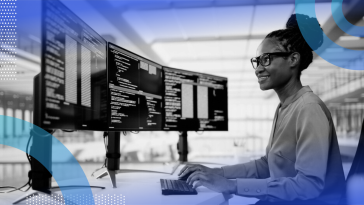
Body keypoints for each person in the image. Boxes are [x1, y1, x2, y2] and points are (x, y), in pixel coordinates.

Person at [178, 14, 346, 205]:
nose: (258, 69)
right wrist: (217, 173)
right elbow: (267, 165)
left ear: (293, 59)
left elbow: (308, 186)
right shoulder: (285, 107)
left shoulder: (309, 108)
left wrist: (231, 185)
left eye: (266, 59)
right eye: (257, 61)